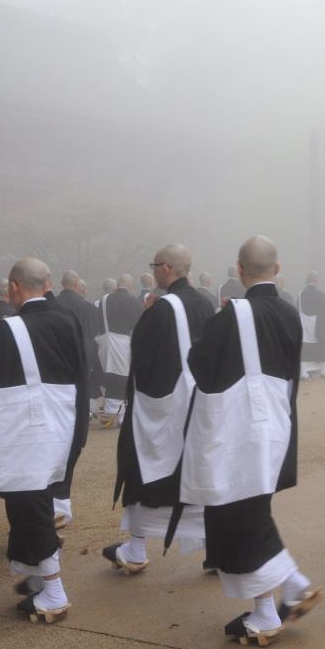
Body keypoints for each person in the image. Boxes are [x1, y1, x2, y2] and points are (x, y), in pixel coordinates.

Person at [175, 236, 320, 646]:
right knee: (249, 509)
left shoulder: (230, 316)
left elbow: (200, 369)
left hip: (236, 431)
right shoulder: (290, 313)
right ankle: (277, 598)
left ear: (239, 271)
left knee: (237, 511)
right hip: (276, 422)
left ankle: (281, 596)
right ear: (277, 269)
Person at [0, 257, 85, 623]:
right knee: (35, 498)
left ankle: (55, 592)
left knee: (29, 504)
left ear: (14, 287)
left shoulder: (9, 329)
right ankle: (39, 580)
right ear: (46, 285)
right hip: (60, 423)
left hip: (25, 431)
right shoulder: (66, 320)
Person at [104, 244, 213, 574]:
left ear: (166, 269)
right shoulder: (205, 303)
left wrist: (148, 317)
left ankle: (136, 549)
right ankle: (219, 548)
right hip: (201, 404)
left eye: (154, 265)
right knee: (199, 476)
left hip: (164, 406)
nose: (152, 271)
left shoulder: (162, 310)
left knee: (143, 471)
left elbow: (143, 358)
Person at [49, 270, 99, 527]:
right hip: (82, 362)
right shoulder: (87, 308)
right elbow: (92, 336)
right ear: (77, 285)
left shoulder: (53, 306)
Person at [95, 274, 142, 426]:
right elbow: (137, 325)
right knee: (121, 378)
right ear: (129, 285)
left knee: (109, 377)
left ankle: (112, 410)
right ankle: (118, 414)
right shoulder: (133, 301)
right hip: (122, 342)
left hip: (104, 341)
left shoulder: (104, 300)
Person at [298, 271, 325, 378]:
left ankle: (304, 371)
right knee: (319, 345)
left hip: (304, 324)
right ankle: (323, 369)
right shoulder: (322, 295)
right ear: (316, 280)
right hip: (317, 324)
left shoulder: (300, 295)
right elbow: (324, 314)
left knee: (306, 346)